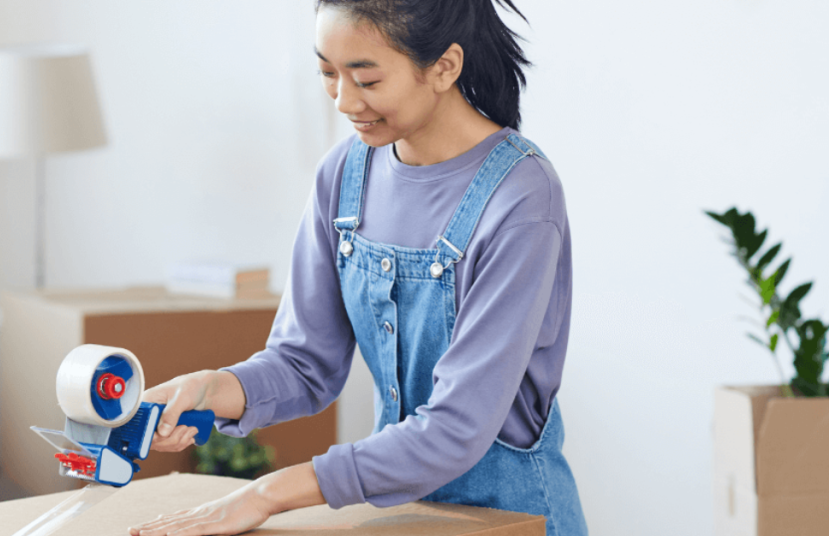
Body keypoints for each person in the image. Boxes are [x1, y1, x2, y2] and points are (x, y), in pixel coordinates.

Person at [129, 1, 588, 535]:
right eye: (328, 73)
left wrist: (269, 493)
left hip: (512, 515)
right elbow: (305, 363)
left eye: (366, 79)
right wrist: (207, 389)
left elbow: (456, 429)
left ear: (444, 66)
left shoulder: (520, 195)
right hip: (397, 514)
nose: (344, 101)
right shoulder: (346, 174)